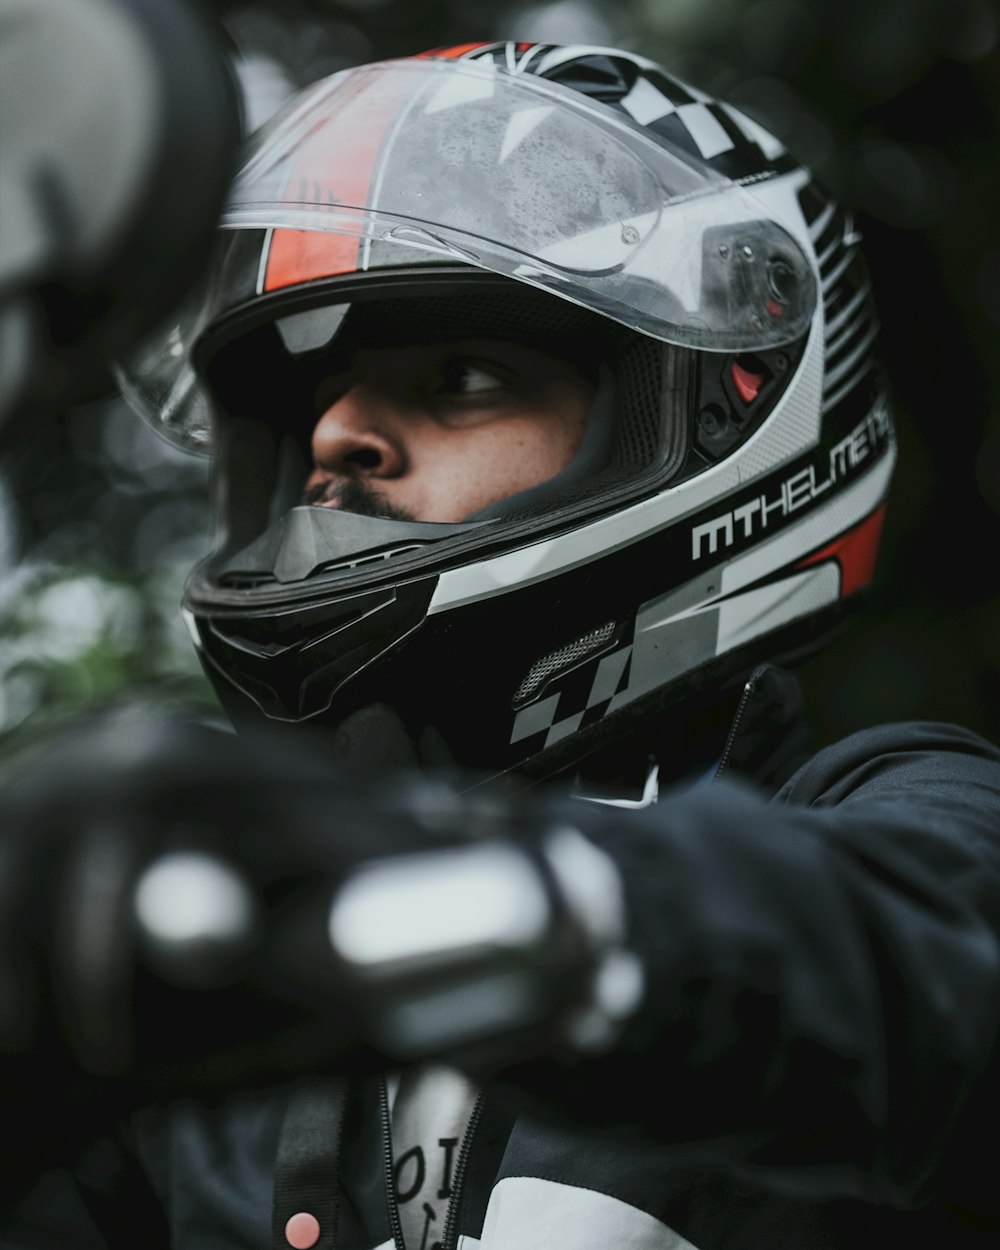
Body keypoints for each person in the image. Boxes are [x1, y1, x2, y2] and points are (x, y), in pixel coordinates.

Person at [3, 38, 1000, 1250]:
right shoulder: (194, 1056)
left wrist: (408, 895)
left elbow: (936, 978)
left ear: (699, 410)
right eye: (302, 401)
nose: (333, 432)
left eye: (460, 374)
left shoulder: (899, 829)